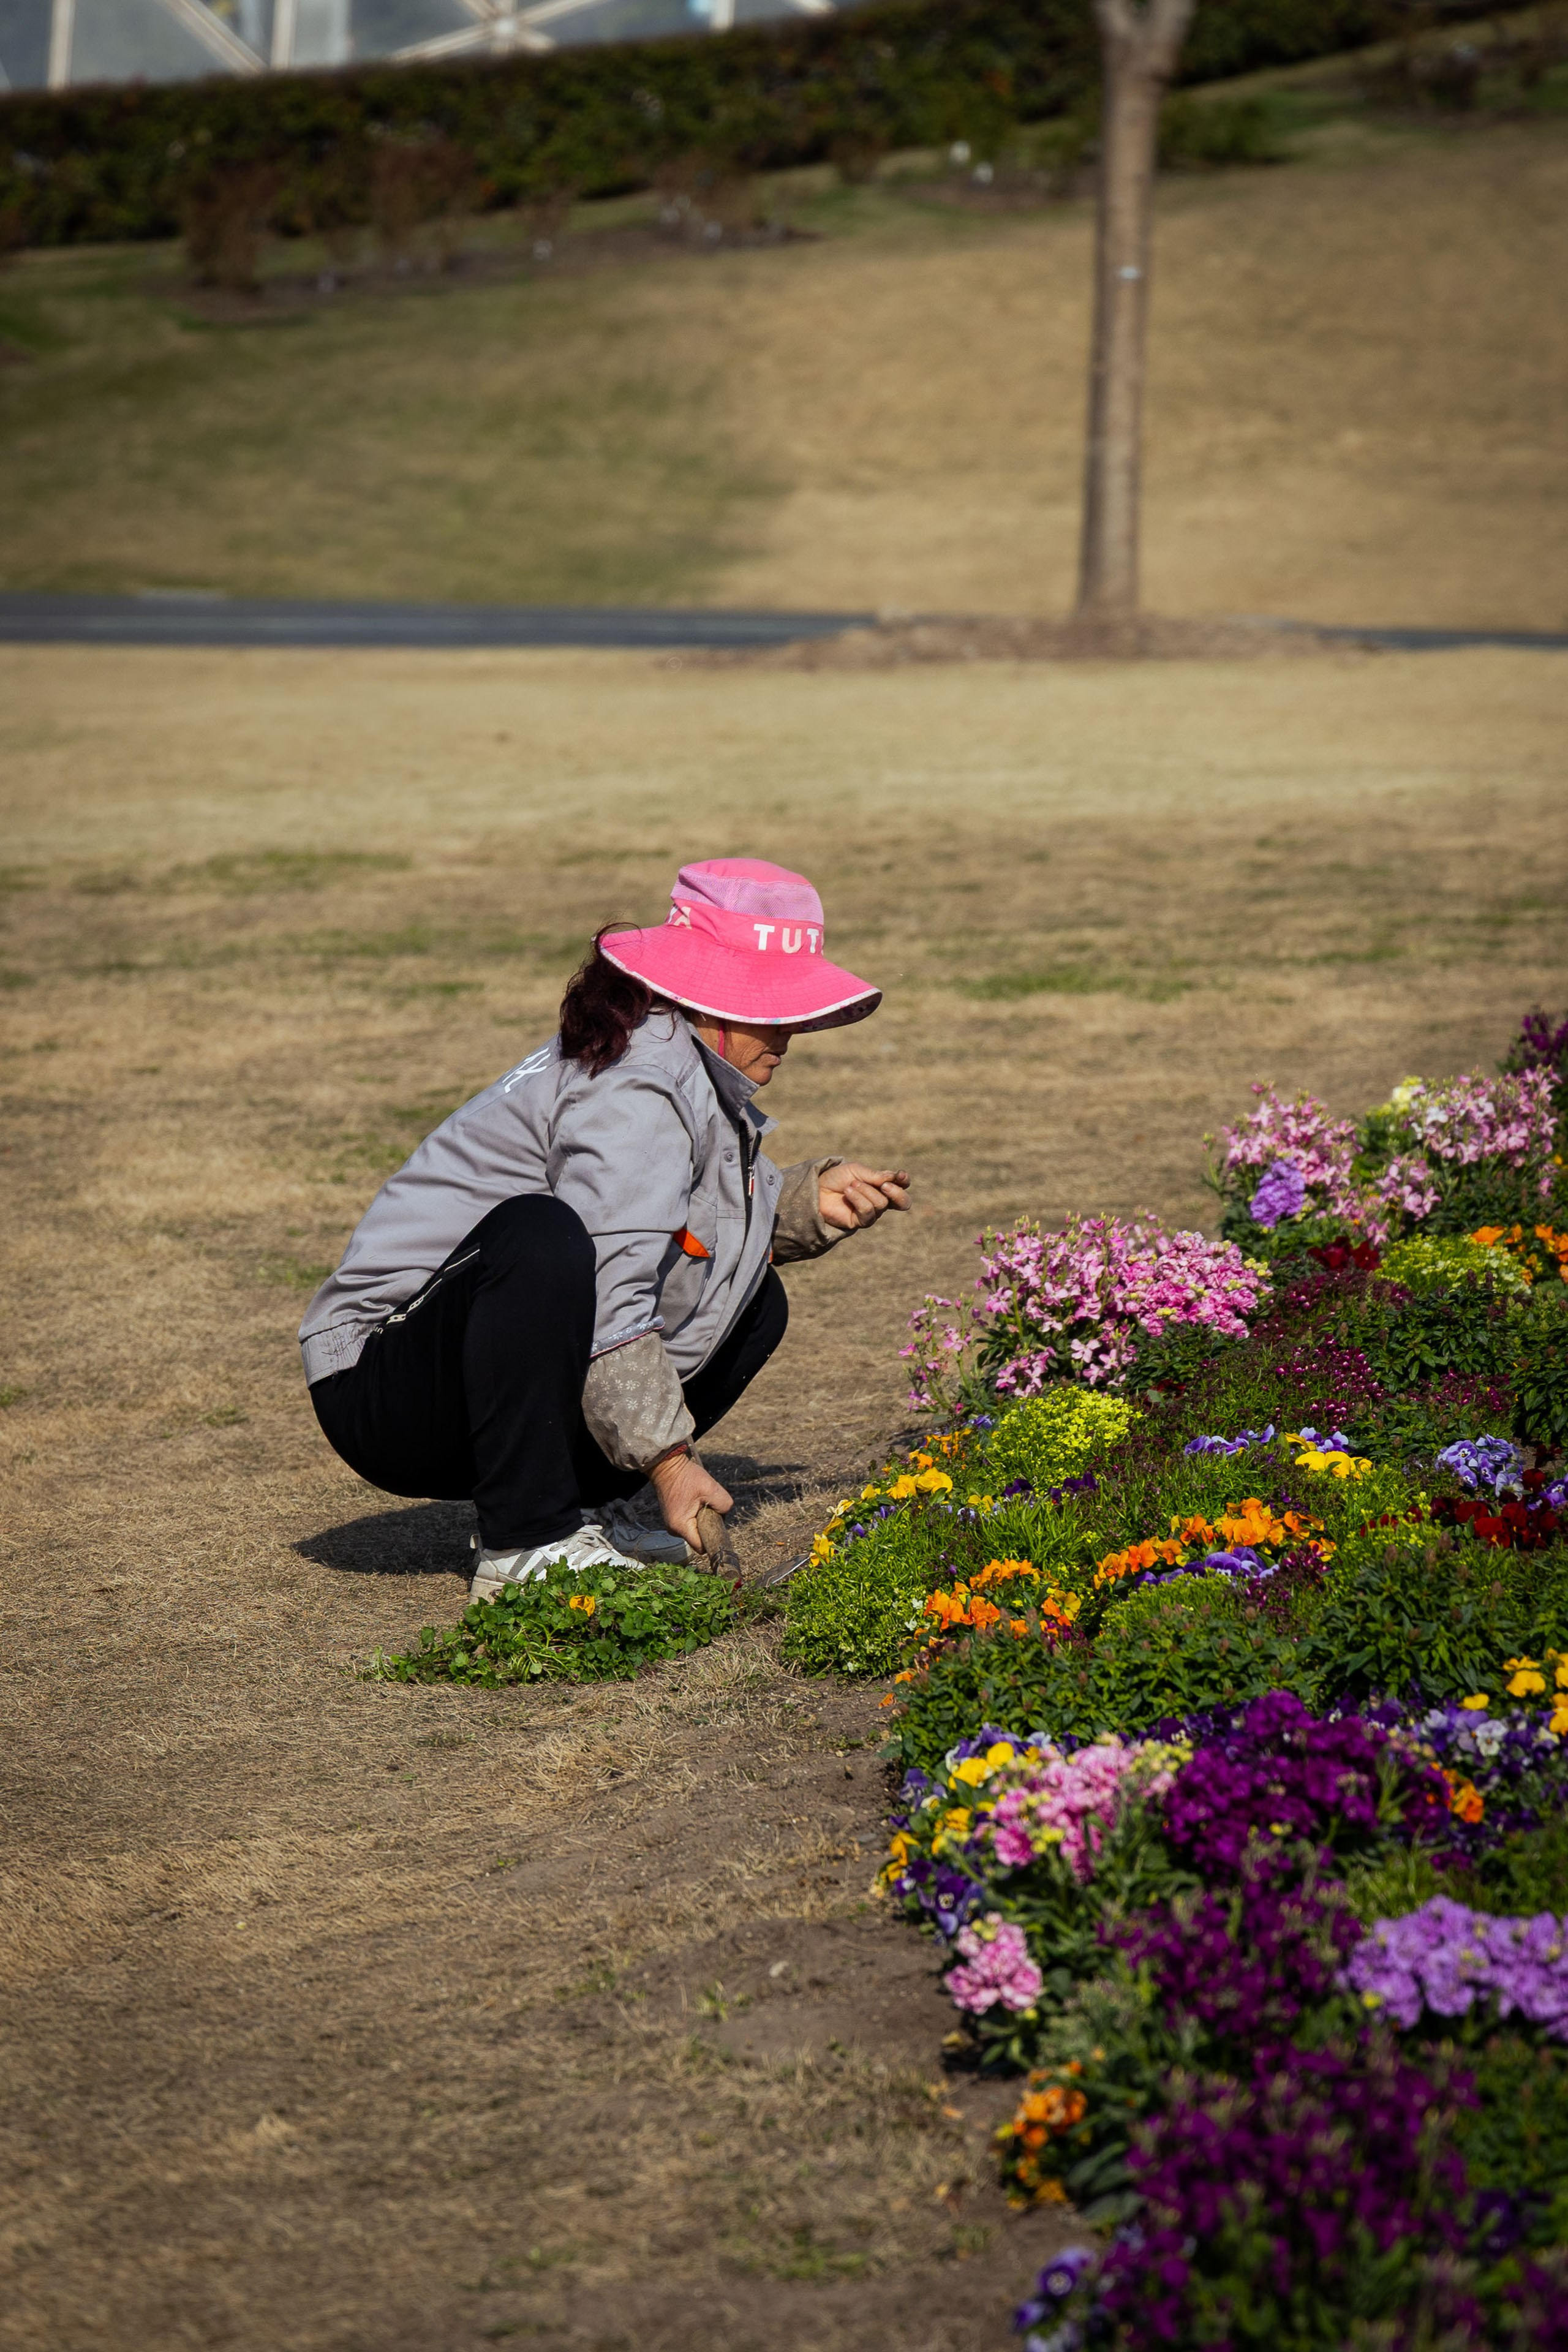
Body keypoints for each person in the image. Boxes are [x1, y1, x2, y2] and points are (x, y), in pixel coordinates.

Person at [300, 858, 910, 1598]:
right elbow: (607, 1276)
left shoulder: (674, 1057)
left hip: (459, 1361)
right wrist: (668, 1463)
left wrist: (803, 1203)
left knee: (757, 1303)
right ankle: (525, 1541)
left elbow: (669, 1220)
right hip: (379, 1378)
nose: (789, 1033)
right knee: (544, 1237)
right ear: (708, 998)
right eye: (770, 1007)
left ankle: (582, 1505)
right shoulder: (639, 1085)